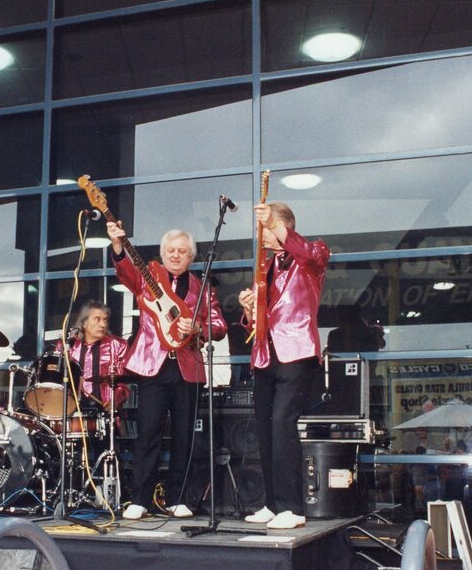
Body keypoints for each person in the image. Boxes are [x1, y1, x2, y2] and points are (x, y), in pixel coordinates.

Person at [106, 223, 227, 520]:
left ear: (191, 257)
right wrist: (119, 246)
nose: (176, 255)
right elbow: (124, 272)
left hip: (187, 368)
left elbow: (220, 326)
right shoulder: (148, 279)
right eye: (171, 251)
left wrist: (199, 327)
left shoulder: (202, 288)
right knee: (148, 434)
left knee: (185, 436)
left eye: (182, 251)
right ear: (163, 254)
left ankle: (178, 498)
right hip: (153, 365)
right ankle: (140, 500)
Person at [238, 201, 330, 530]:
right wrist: (250, 310)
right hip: (266, 353)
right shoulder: (265, 268)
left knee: (282, 423)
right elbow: (258, 323)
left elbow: (310, 254)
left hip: (296, 351)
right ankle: (273, 503)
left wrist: (276, 226)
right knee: (264, 427)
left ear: (281, 226)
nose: (259, 235)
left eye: (265, 227)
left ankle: (293, 507)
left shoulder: (313, 254)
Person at [54, 300, 131, 412]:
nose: (103, 324)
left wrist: (114, 401)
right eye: (97, 319)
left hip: (104, 414)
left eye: (105, 320)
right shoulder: (66, 346)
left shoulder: (118, 345)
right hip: (71, 412)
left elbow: (123, 384)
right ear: (84, 323)